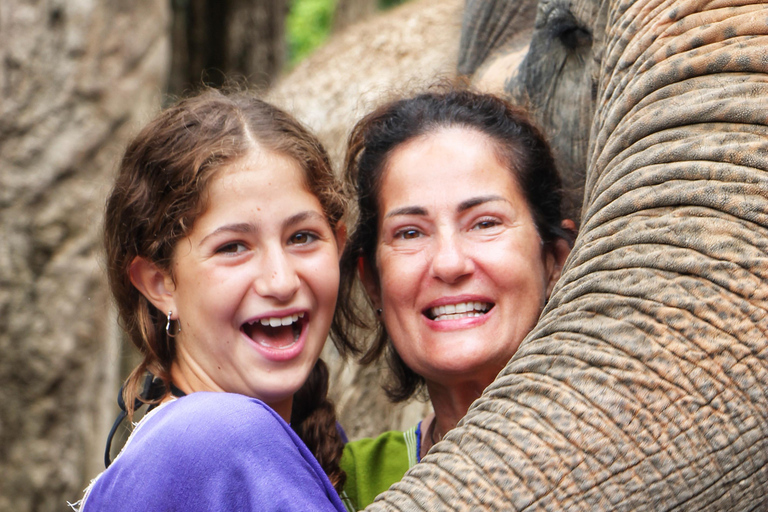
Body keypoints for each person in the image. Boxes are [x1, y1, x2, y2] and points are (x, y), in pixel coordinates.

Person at [73, 89, 352, 511]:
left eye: (302, 237)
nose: (280, 281)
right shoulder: (221, 435)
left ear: (340, 245)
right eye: (233, 247)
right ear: (159, 283)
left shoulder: (303, 440)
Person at [333, 87, 576, 510]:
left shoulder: (646, 452)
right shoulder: (342, 486)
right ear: (372, 281)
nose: (448, 263)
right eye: (410, 232)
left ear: (553, 260)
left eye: (484, 223)